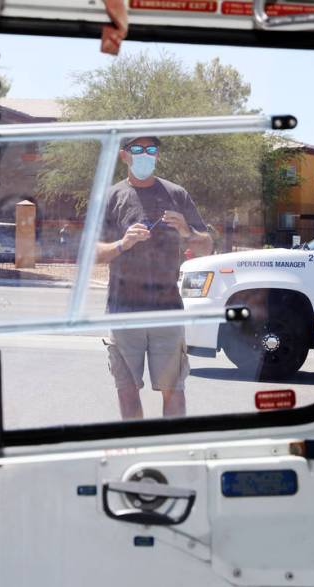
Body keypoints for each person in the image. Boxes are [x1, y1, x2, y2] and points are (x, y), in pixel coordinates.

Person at [95, 136, 213, 419]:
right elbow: (94, 254)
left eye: (151, 149)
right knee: (127, 389)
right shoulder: (111, 197)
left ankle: (173, 448)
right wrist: (123, 244)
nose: (145, 155)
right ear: (125, 155)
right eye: (137, 149)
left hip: (167, 311)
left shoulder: (177, 195)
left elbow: (207, 245)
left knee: (174, 389)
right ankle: (135, 448)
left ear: (158, 156)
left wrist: (187, 232)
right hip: (123, 310)